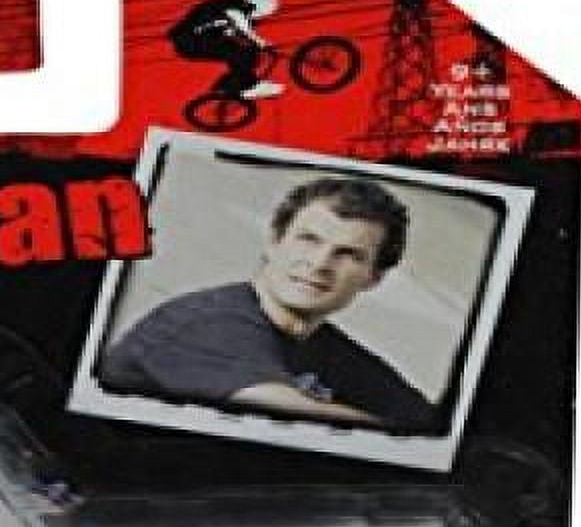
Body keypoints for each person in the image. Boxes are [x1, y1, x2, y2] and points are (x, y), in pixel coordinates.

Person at [99, 176, 439, 432]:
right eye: (309, 240)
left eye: (348, 254)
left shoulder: (333, 352)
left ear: (374, 277)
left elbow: (430, 425)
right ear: (274, 242)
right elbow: (278, 410)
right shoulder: (205, 322)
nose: (319, 263)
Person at [168, 0, 285, 101]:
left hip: (200, 38)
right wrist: (258, 41)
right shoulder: (232, 4)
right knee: (240, 52)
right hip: (188, 41)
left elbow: (234, 31)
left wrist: (255, 44)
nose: (257, 18)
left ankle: (231, 84)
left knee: (246, 52)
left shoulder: (240, 10)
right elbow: (238, 20)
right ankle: (244, 87)